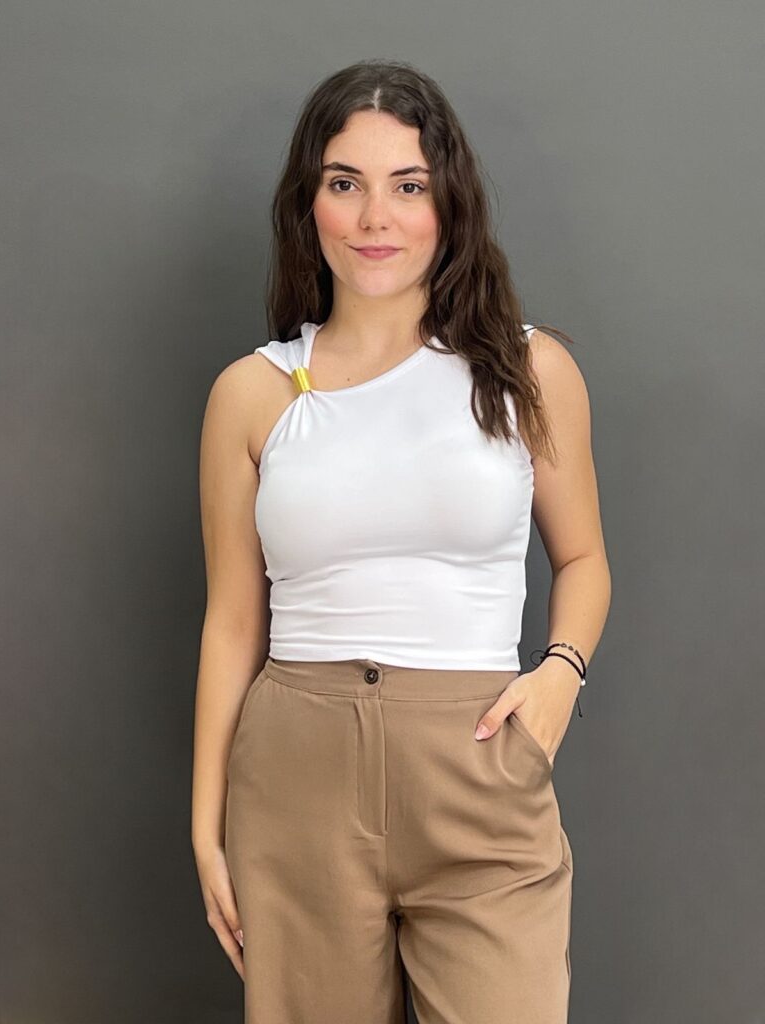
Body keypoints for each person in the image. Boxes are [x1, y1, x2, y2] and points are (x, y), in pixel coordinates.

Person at [192, 58, 611, 1024]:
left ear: (449, 203)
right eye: (345, 183)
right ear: (308, 205)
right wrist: (206, 825)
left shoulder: (528, 372)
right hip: (296, 776)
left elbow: (584, 560)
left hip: (478, 761)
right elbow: (231, 624)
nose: (375, 217)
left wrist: (559, 674)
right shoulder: (254, 394)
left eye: (409, 186)